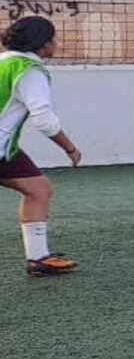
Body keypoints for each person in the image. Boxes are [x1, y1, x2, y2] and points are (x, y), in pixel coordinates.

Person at [0, 17, 84, 278]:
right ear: (42, 43)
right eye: (54, 39)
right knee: (38, 189)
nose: (56, 44)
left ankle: (38, 258)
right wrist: (70, 147)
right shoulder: (29, 70)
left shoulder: (4, 62)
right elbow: (44, 120)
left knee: (38, 188)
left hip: (5, 150)